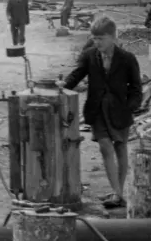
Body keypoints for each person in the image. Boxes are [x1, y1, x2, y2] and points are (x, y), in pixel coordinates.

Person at [56, 16, 142, 209]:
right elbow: (76, 74)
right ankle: (118, 193)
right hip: (96, 109)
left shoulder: (127, 58)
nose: (96, 42)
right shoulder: (89, 55)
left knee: (120, 147)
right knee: (105, 146)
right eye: (94, 38)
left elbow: (136, 88)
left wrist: (131, 107)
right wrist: (63, 85)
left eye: (100, 38)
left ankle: (117, 192)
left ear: (113, 37)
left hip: (120, 110)